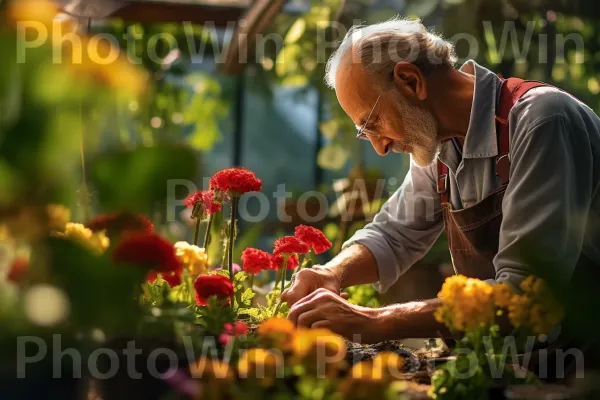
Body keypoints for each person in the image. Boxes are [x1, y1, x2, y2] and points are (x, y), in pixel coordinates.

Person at [281, 18, 600, 347]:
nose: (380, 146)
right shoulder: (438, 142)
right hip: (522, 362)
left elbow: (525, 295)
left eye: (373, 122)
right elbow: (394, 235)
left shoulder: (541, 121)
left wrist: (376, 321)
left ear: (410, 81)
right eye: (367, 133)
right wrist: (331, 274)